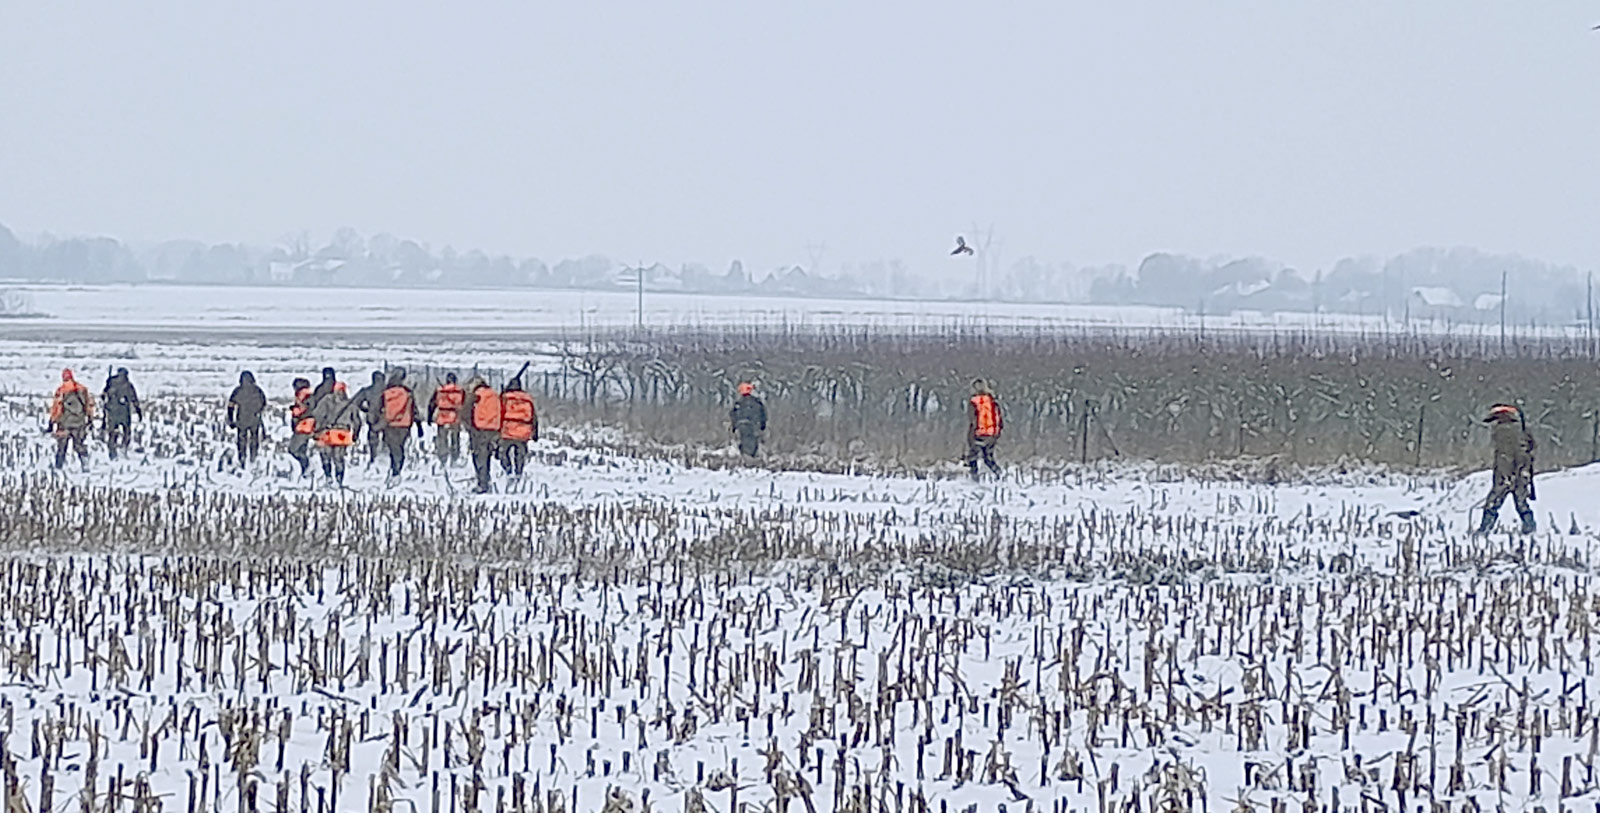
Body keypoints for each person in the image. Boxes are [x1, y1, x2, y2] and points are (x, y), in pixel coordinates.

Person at [1476, 403, 1537, 535]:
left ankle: (1484, 529)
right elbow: (1530, 449)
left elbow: (1505, 457)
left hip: (1506, 474)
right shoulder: (1522, 431)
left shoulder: (1503, 432)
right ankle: (1530, 528)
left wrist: (1506, 476)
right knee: (1521, 503)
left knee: (1492, 503)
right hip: (1521, 472)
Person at [374, 367, 422, 483]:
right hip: (404, 425)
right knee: (400, 448)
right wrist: (419, 426)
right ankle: (397, 471)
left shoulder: (386, 392)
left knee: (393, 448)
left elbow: (378, 408)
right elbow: (414, 410)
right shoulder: (408, 393)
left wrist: (377, 423)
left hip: (390, 424)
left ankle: (394, 469)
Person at [309, 381, 357, 486]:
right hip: (342, 434)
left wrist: (316, 429)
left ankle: (328, 476)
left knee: (325, 455)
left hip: (328, 432)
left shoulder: (326, 400)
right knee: (339, 458)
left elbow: (317, 415)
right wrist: (355, 436)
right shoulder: (350, 404)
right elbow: (357, 421)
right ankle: (339, 479)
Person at [462, 376, 501, 494]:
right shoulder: (494, 394)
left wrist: (469, 428)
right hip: (493, 429)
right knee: (487, 456)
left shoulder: (476, 395)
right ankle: (486, 480)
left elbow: (465, 412)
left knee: (479, 457)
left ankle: (482, 483)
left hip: (479, 430)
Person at [48, 369, 94, 470]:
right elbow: (89, 405)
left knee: (62, 447)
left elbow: (57, 408)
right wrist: (90, 418)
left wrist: (52, 421)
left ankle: (58, 467)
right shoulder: (82, 389)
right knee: (79, 445)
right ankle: (85, 463)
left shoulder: (61, 391)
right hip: (79, 423)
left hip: (64, 424)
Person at [964, 378, 1003, 480]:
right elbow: (999, 418)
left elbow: (973, 419)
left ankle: (974, 479)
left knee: (972, 457)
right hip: (991, 434)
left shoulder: (974, 402)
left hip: (978, 433)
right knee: (988, 458)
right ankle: (999, 475)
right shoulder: (993, 401)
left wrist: (971, 435)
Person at [499, 377, 537, 479]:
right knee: (520, 454)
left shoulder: (505, 398)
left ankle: (508, 471)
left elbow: (499, 414)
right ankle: (518, 472)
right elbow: (533, 417)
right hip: (523, 431)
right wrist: (535, 433)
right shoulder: (527, 399)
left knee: (503, 453)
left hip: (507, 430)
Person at [101, 367, 142, 460]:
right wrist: (138, 411)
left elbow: (103, 396)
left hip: (112, 412)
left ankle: (112, 452)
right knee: (127, 432)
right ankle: (123, 449)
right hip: (124, 413)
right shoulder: (128, 385)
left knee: (112, 433)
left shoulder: (111, 382)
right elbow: (134, 399)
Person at [227, 370, 267, 466]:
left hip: (241, 420)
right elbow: (264, 403)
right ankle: (254, 457)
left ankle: (242, 458)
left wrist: (231, 420)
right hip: (254, 420)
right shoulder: (258, 390)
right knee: (254, 439)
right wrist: (258, 412)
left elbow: (230, 406)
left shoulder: (237, 391)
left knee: (241, 441)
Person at [427, 372, 465, 464]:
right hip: (455, 417)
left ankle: (443, 458)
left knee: (442, 438)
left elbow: (432, 404)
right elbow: (465, 404)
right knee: (455, 438)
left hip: (442, 417)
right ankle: (455, 458)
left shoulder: (440, 390)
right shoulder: (460, 391)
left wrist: (429, 416)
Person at [351, 370, 386, 466]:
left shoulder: (367, 391)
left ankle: (374, 458)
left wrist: (364, 409)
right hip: (387, 418)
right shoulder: (388, 391)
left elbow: (354, 402)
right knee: (387, 439)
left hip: (372, 418)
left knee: (373, 439)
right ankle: (384, 459)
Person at [729, 381, 767, 458]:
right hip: (754, 425)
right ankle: (752, 456)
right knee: (753, 441)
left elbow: (733, 415)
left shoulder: (738, 403)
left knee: (743, 441)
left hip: (742, 425)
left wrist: (734, 426)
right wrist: (763, 425)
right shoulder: (757, 402)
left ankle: (745, 456)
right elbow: (763, 413)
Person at [288, 377, 315, 477]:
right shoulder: (307, 396)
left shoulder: (304, 397)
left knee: (293, 449)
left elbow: (307, 411)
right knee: (301, 449)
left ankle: (307, 466)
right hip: (306, 427)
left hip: (303, 427)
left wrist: (297, 412)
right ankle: (305, 470)